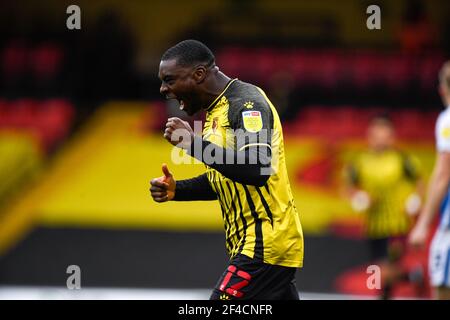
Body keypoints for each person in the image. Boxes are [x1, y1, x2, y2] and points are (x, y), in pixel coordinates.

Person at [149, 40, 303, 300]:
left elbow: (257, 168)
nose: (164, 89)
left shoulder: (246, 104)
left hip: (266, 244)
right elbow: (229, 178)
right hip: (255, 244)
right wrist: (179, 190)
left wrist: (193, 144)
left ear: (198, 74)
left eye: (170, 80)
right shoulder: (216, 112)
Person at [345, 113, 424, 299]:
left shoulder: (402, 160)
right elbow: (348, 186)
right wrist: (359, 198)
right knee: (378, 275)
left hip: (397, 225)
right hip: (373, 225)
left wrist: (415, 200)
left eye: (384, 135)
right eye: (376, 135)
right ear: (370, 136)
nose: (379, 139)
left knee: (384, 270)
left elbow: (420, 183)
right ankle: (413, 276)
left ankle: (409, 277)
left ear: (391, 137)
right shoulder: (360, 161)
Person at [409, 61, 450, 300]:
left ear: (442, 89)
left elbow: (443, 174)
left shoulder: (447, 120)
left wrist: (423, 224)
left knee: (443, 290)